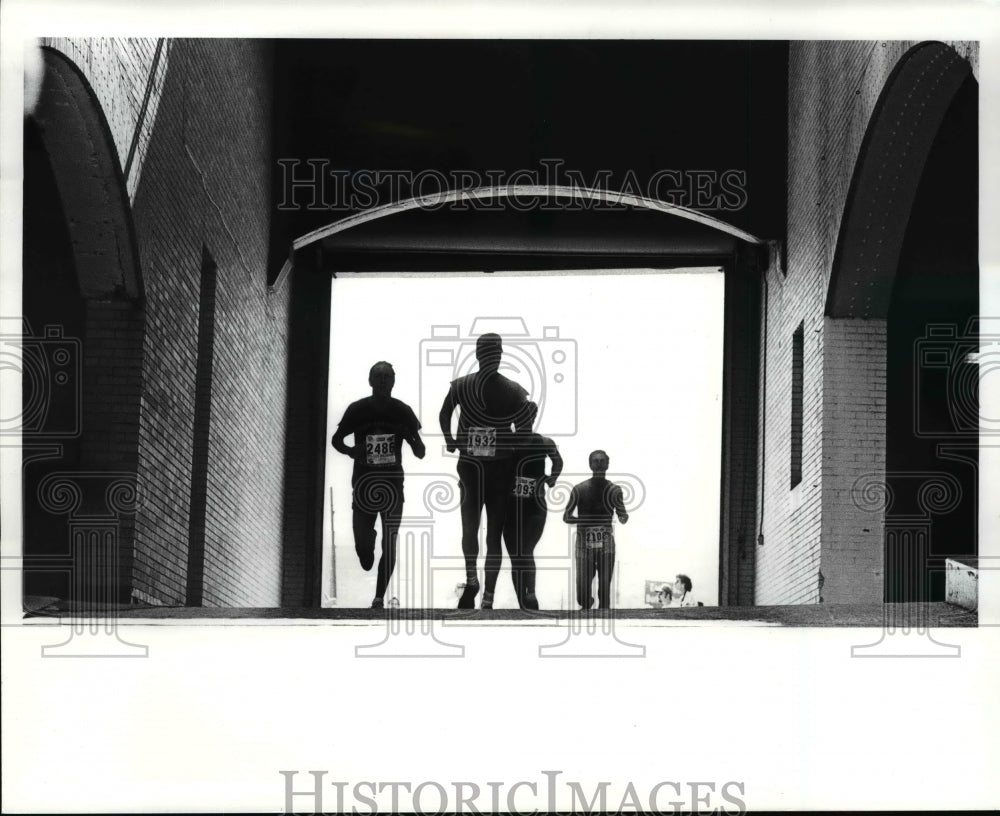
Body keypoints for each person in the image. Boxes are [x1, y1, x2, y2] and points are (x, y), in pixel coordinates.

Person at [439, 333, 530, 609]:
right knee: (482, 532)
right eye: (491, 353)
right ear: (480, 356)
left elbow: (444, 414)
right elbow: (523, 431)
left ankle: (481, 587)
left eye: (497, 353)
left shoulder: (470, 386)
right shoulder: (508, 389)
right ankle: (480, 588)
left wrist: (451, 440)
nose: (495, 358)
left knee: (480, 531)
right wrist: (451, 440)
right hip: (483, 467)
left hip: (481, 467)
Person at [332, 362, 425, 608]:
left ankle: (378, 597)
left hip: (393, 485)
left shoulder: (403, 411)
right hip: (364, 484)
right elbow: (336, 440)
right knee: (364, 552)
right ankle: (366, 545)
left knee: (390, 542)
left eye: (387, 377)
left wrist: (411, 435)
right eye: (378, 377)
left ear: (394, 381)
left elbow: (421, 452)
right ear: (370, 380)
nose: (383, 381)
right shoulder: (357, 409)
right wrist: (353, 452)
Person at [501, 401, 562, 610]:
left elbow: (558, 461)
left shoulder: (544, 442)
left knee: (526, 551)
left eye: (526, 416)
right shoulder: (505, 441)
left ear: (533, 418)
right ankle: (523, 604)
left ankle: (531, 594)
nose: (521, 420)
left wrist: (553, 478)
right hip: (510, 506)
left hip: (535, 505)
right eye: (518, 416)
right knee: (515, 557)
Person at [562, 450, 629, 610]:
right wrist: (586, 521)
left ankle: (602, 615)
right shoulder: (579, 489)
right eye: (595, 461)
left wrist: (623, 517)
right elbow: (566, 516)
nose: (599, 464)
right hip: (583, 542)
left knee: (604, 586)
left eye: (601, 461)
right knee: (582, 591)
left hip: (606, 541)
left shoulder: (614, 490)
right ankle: (586, 602)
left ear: (607, 464)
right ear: (590, 464)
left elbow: (622, 514)